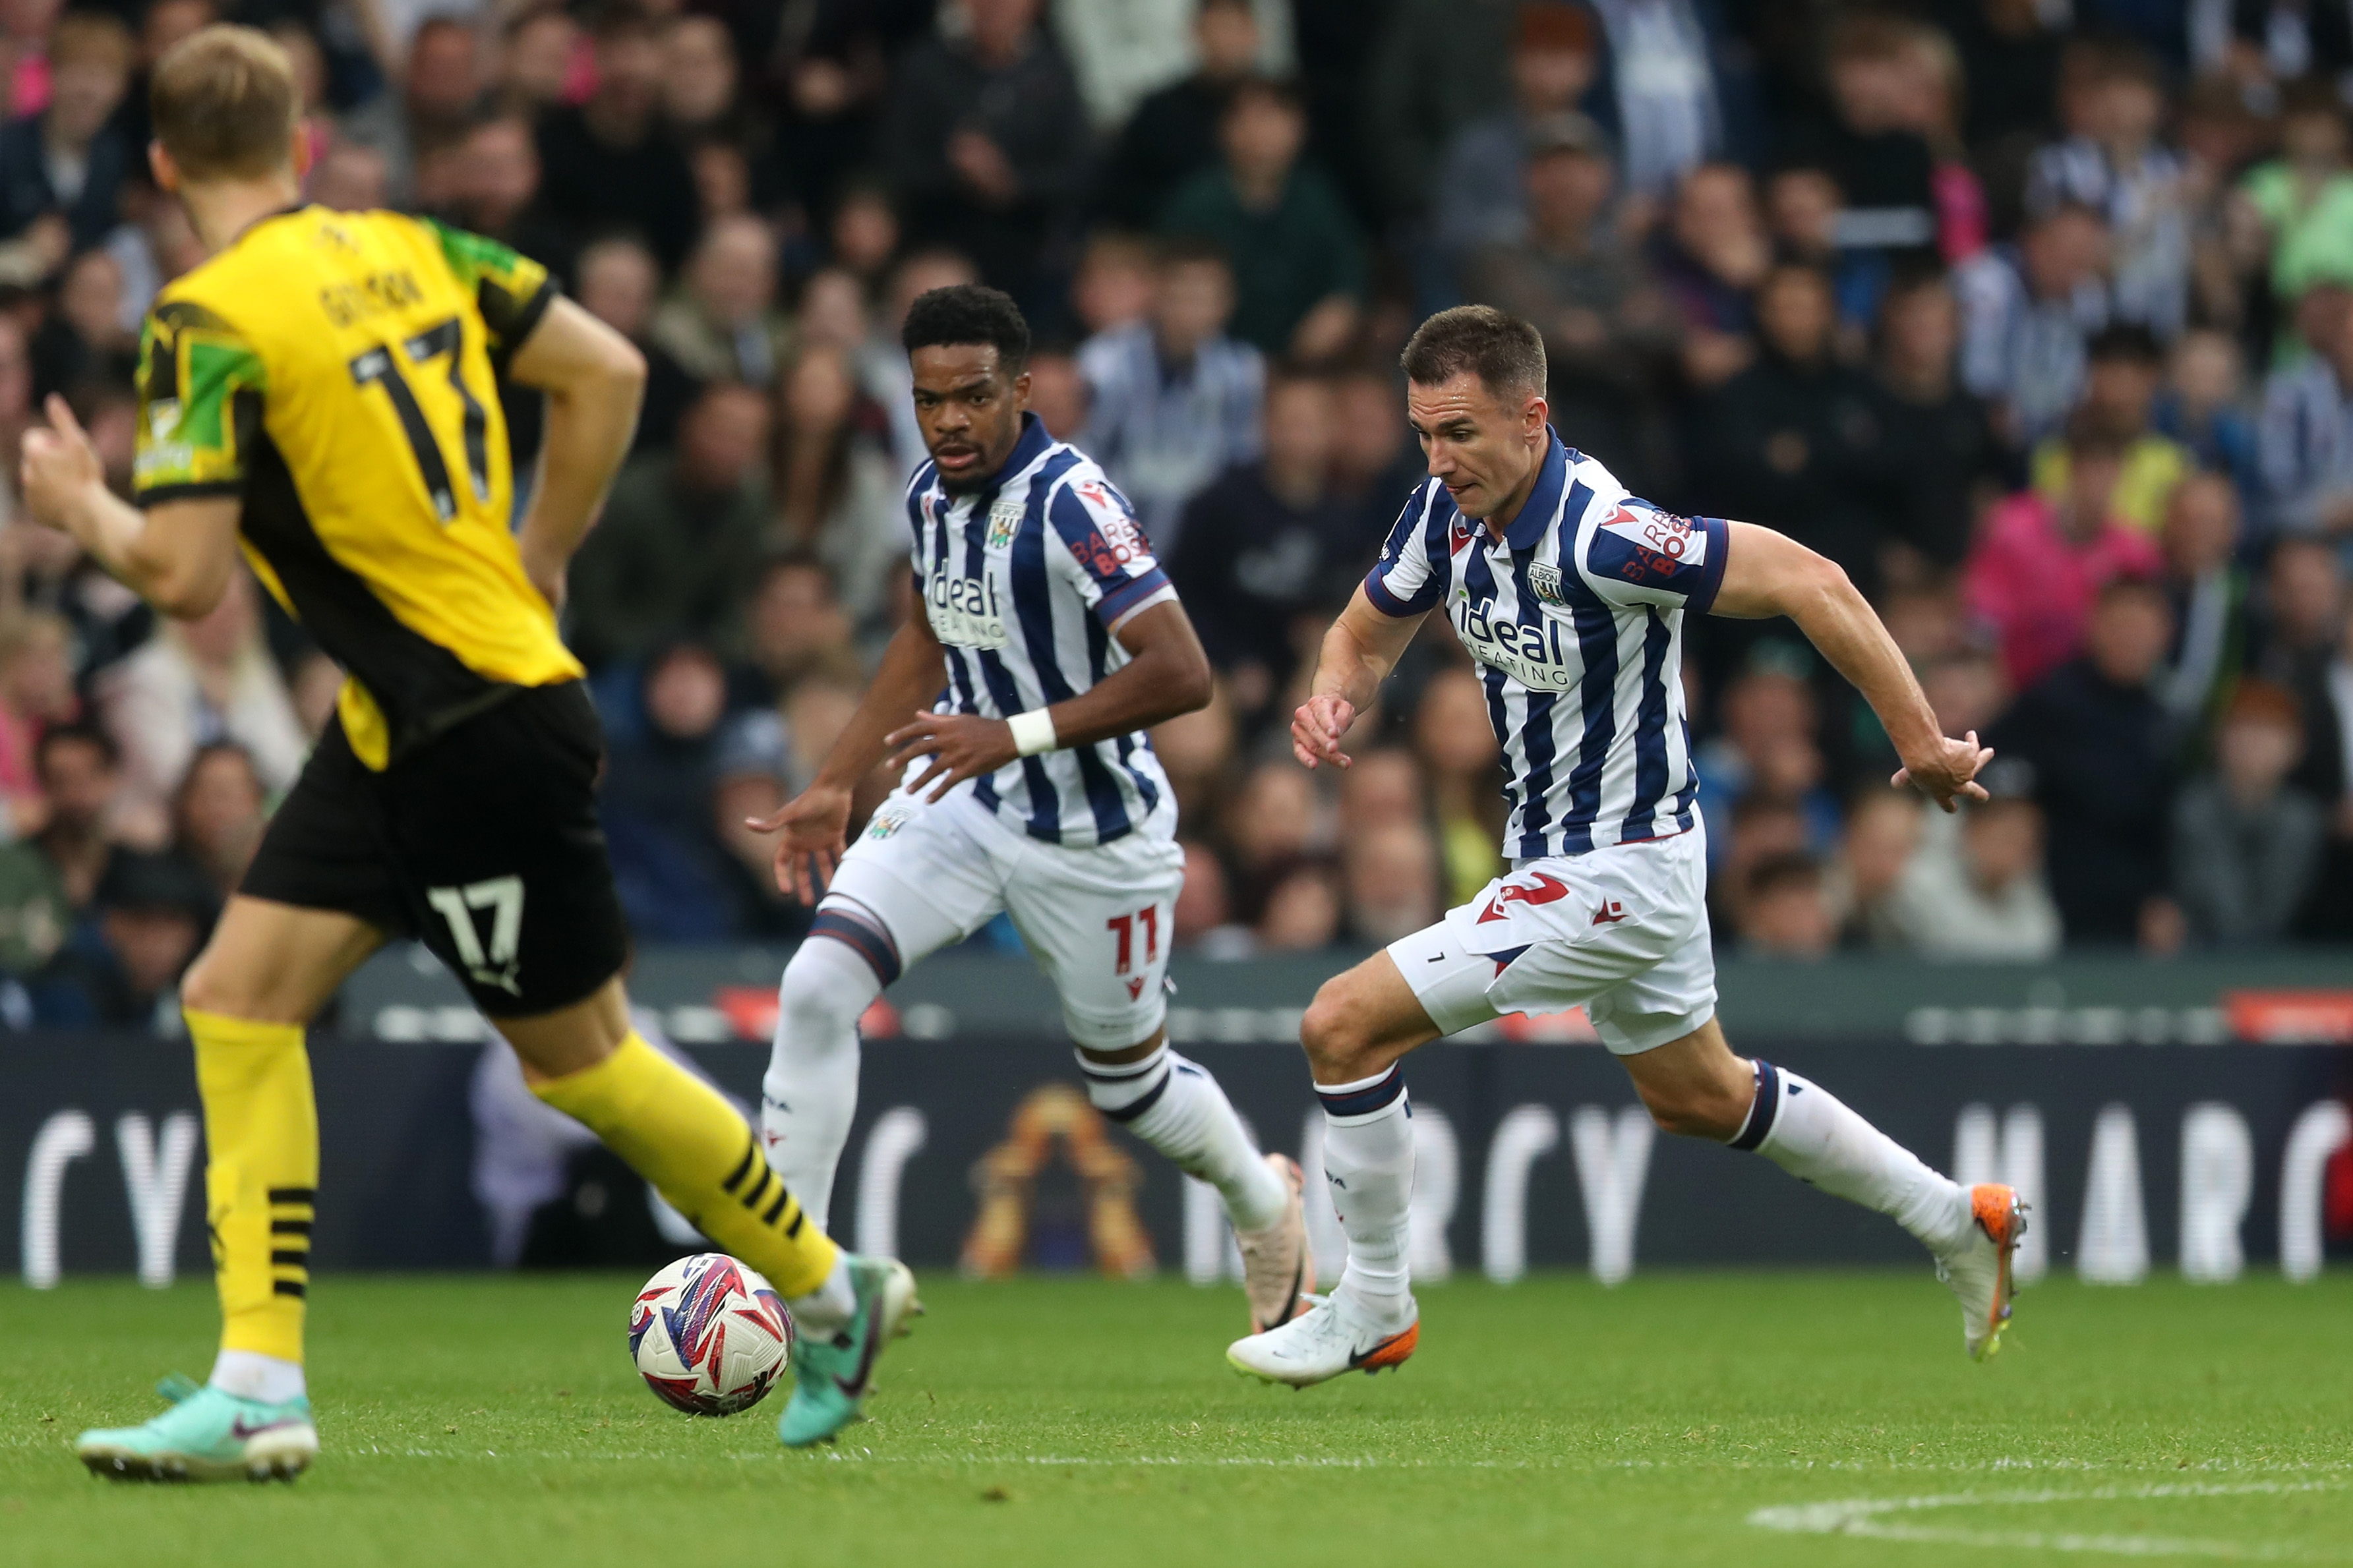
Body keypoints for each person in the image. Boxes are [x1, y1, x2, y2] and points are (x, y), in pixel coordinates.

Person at [16, 26, 906, 1479]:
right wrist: (541, 547)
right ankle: (257, 1383)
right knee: (236, 998)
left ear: (162, 165)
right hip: (409, 723)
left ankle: (824, 1285)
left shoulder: (206, 316)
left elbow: (181, 578)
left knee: (584, 1063)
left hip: (473, 728)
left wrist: (77, 507)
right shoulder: (412, 248)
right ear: (304, 148)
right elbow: (607, 368)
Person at [1229, 305, 2021, 1389]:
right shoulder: (1440, 514)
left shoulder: (1606, 534)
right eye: (1422, 432)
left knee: (1340, 1024)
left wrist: (1920, 741)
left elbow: (1810, 580)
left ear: (1530, 415)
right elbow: (1363, 632)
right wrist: (1330, 696)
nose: (1438, 456)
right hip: (1575, 859)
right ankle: (1955, 1218)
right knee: (1698, 1094)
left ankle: (1371, 1304)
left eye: (1459, 430)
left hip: (1620, 869)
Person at [751, 285, 1313, 1397]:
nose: (948, 420)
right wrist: (832, 780)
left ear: (1020, 389)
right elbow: (922, 636)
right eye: (926, 399)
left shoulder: (1072, 500)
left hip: (1095, 836)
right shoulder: (926, 493)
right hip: (963, 799)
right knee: (816, 985)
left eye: (970, 396)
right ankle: (804, 1294)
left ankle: (1262, 1199)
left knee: (1130, 1087)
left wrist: (1008, 731)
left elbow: (1182, 670)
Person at [1075, 237, 1265, 550]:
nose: (1191, 309)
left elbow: (1245, 463)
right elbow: (1086, 452)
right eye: (1182, 295)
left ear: (1227, 303)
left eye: (1204, 298)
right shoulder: (1103, 362)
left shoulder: (1243, 372)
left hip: (1206, 547)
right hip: (1111, 539)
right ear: (1157, 294)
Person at [2170, 680, 2325, 945]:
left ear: (2296, 746)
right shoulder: (2195, 807)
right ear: (2219, 738)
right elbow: (2222, 909)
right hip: (2202, 958)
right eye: (2243, 729)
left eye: (2269, 731)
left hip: (2282, 964)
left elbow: (2278, 910)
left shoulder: (2302, 818)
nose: (2254, 743)